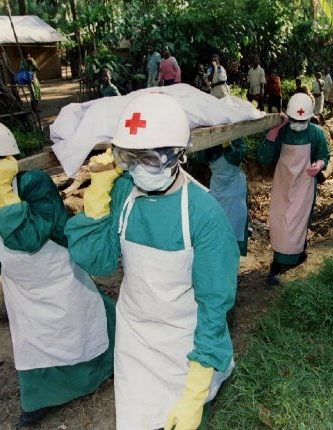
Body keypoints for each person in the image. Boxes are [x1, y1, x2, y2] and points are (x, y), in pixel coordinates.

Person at [64, 93, 238, 430]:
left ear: (177, 156)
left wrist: (196, 388)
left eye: (151, 159)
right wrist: (98, 194)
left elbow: (214, 306)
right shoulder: (123, 193)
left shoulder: (203, 214)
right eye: (131, 158)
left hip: (184, 345)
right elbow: (98, 262)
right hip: (135, 339)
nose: (139, 170)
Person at [0, 118, 115, 427]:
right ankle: (39, 398)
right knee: (33, 343)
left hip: (56, 275)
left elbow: (28, 237)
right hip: (21, 284)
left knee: (80, 329)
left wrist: (7, 193)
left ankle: (100, 371)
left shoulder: (33, 183)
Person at [258, 93, 329, 286]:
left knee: (300, 221)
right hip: (283, 183)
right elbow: (264, 159)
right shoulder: (282, 131)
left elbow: (324, 154)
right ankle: (278, 261)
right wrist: (271, 136)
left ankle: (299, 251)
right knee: (281, 222)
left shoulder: (315, 133)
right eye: (294, 119)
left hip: (304, 184)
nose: (298, 123)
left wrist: (320, 164)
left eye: (302, 120)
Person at [195, 138, 248, 256]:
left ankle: (232, 259)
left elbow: (237, 157)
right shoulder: (210, 133)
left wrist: (228, 145)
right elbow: (200, 156)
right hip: (217, 186)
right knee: (216, 224)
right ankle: (218, 258)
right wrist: (212, 145)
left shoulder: (237, 135)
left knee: (235, 224)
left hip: (235, 186)